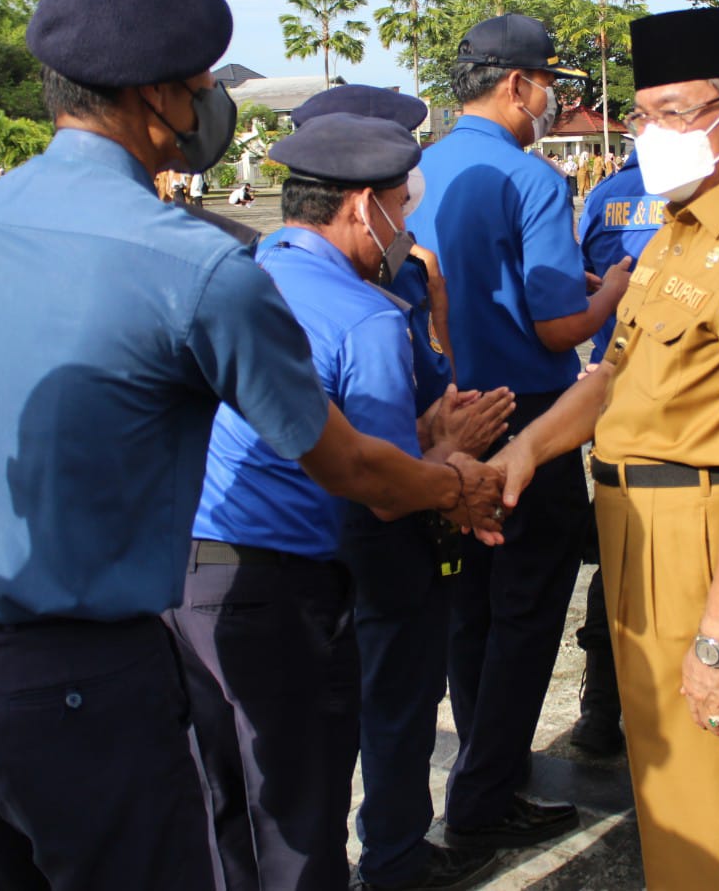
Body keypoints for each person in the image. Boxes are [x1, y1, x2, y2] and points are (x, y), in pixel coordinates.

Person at [0, 0, 504, 891]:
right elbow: (354, 470)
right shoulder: (199, 269)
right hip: (88, 683)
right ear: (162, 98)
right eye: (203, 82)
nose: (207, 103)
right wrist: (455, 479)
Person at [487, 6, 719, 888]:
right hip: (640, 528)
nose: (653, 134)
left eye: (678, 113)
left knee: (710, 797)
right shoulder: (681, 231)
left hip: (707, 532)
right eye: (645, 114)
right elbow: (609, 378)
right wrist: (525, 451)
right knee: (667, 778)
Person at [408, 13, 628, 850]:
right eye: (550, 85)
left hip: (449, 419)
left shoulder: (421, 169)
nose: (552, 100)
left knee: (469, 607)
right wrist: (610, 290)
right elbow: (555, 327)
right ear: (516, 85)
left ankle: (482, 763)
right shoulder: (530, 178)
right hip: (531, 418)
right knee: (528, 612)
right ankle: (487, 792)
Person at [286, 83, 512, 891]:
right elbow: (379, 469)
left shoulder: (255, 271)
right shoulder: (361, 305)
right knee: (394, 703)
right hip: (372, 523)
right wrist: (456, 475)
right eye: (398, 196)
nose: (407, 214)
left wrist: (438, 433)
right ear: (360, 200)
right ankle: (393, 861)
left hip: (284, 546)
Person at [570, 149, 663, 758]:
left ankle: (601, 710)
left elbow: (575, 274)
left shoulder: (606, 197)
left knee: (616, 553)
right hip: (684, 408)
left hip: (614, 388)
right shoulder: (710, 197)